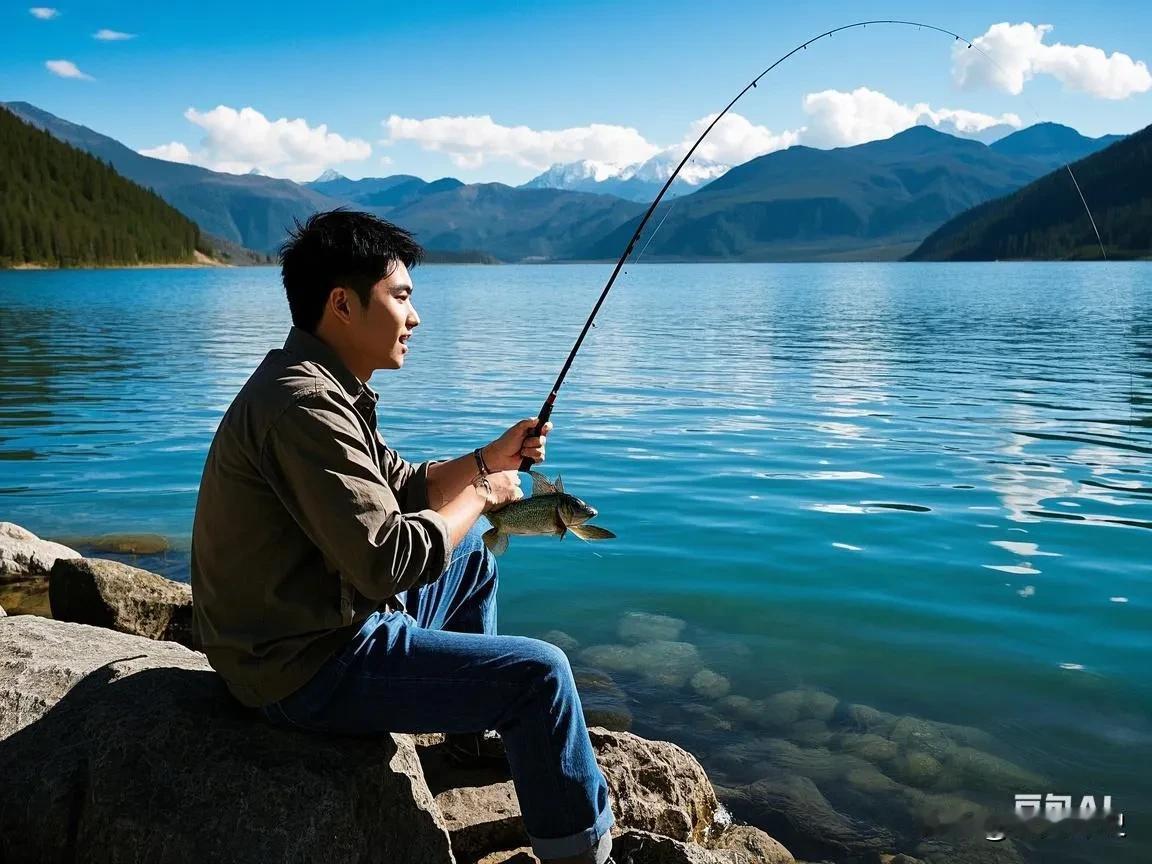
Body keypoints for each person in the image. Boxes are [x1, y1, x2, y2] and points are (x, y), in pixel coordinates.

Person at [190, 209, 614, 864]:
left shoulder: (322, 385)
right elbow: (389, 561)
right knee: (541, 676)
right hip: (303, 667)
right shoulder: (304, 405)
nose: (415, 318)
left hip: (314, 627)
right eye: (402, 297)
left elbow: (406, 486)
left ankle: (468, 738)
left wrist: (489, 458)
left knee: (470, 556)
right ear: (342, 304)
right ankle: (585, 854)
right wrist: (481, 493)